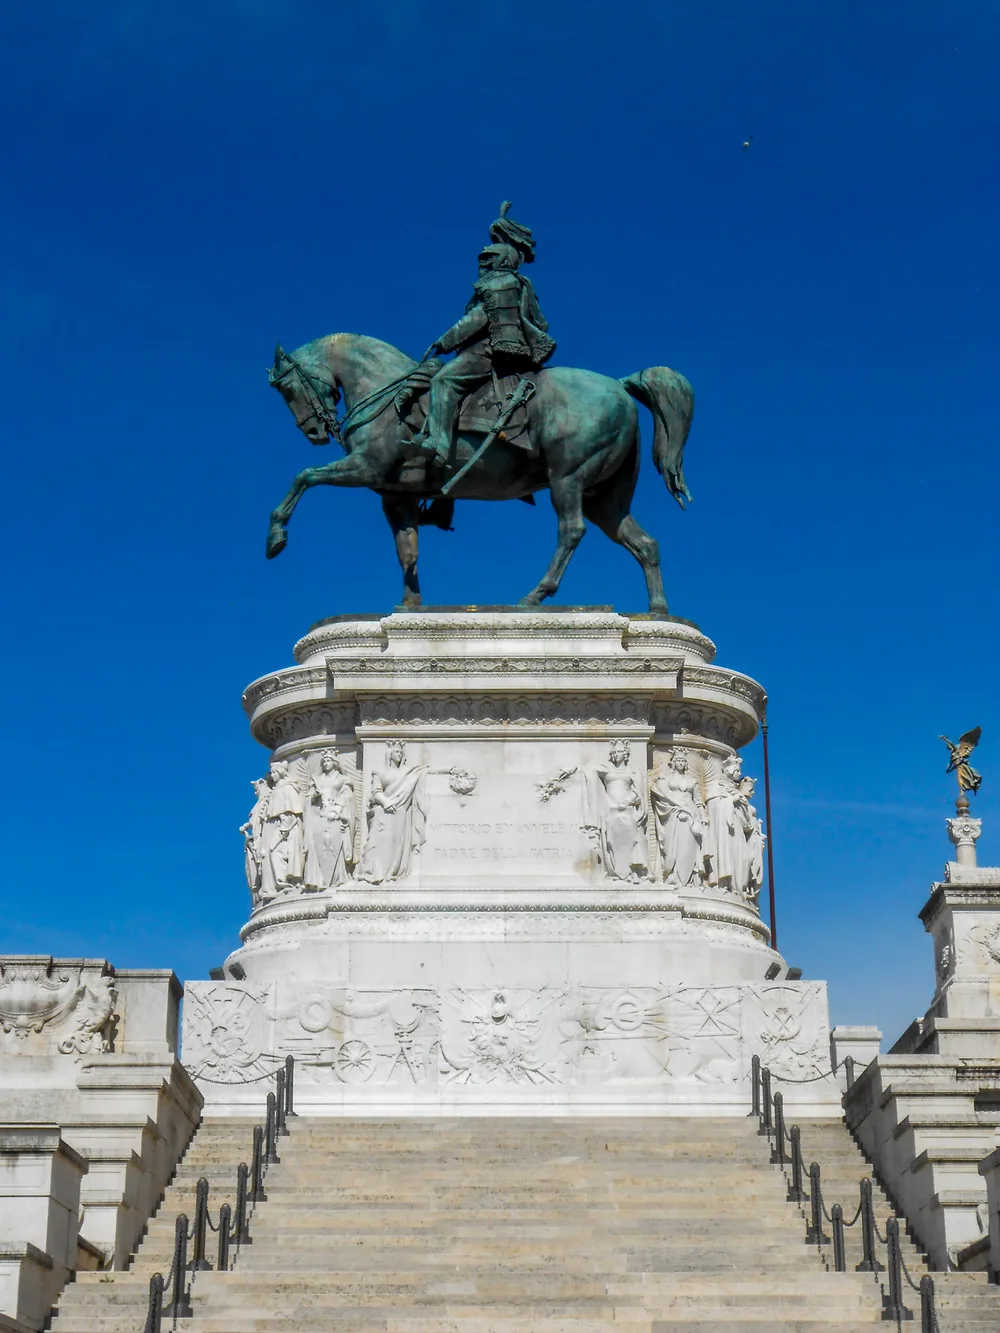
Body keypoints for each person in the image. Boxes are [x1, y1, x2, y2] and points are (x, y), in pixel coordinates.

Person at [416, 202, 555, 466]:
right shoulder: (518, 284)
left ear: (501, 261)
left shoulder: (498, 283)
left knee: (442, 381)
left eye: (487, 260)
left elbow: (477, 320)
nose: (482, 265)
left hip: (488, 351)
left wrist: (443, 342)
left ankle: (439, 446)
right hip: (498, 349)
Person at [358, 741, 428, 883]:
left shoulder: (408, 772)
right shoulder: (380, 772)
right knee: (374, 843)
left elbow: (427, 771)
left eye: (401, 753)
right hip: (384, 813)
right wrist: (386, 802)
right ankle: (373, 871)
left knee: (396, 846)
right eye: (397, 752)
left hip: (400, 814)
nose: (399, 755)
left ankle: (390, 873)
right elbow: (376, 792)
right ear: (389, 754)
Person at [650, 749, 707, 887]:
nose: (680, 763)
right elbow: (661, 795)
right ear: (673, 763)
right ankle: (673, 876)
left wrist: (702, 815)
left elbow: (698, 800)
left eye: (683, 761)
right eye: (678, 761)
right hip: (673, 815)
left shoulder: (692, 781)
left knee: (689, 847)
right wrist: (678, 809)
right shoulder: (665, 779)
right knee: (673, 848)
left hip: (691, 816)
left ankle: (689, 880)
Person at [303, 751, 357, 890]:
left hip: (336, 817)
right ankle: (319, 879)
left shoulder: (342, 779)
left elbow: (347, 796)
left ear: (335, 762)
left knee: (336, 846)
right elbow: (308, 798)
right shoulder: (316, 779)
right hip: (320, 817)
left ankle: (339, 878)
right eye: (324, 761)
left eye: (328, 760)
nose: (326, 763)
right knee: (318, 847)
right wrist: (314, 796)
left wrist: (338, 809)